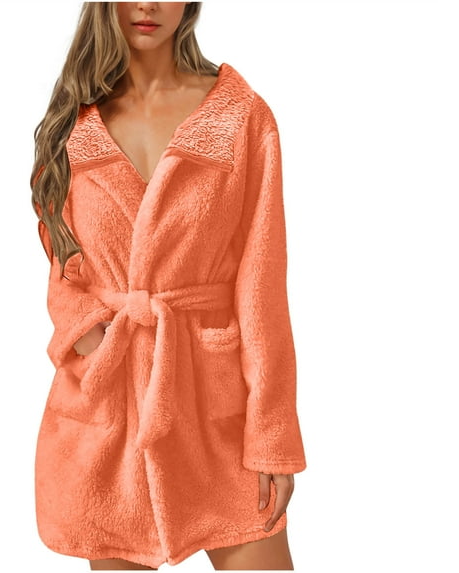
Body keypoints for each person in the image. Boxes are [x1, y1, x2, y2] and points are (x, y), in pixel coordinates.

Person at [30, 2, 307, 570]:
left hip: (214, 409)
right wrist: (88, 334)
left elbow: (262, 287)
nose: (148, 4)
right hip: (111, 413)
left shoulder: (240, 118)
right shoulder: (72, 124)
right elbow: (63, 267)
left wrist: (272, 434)